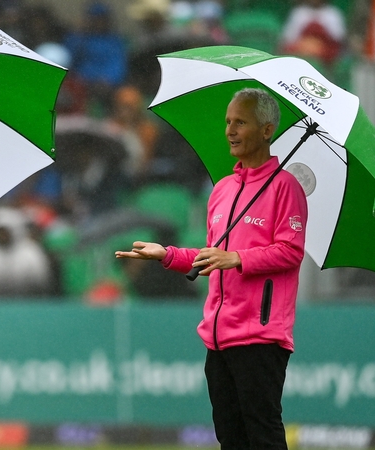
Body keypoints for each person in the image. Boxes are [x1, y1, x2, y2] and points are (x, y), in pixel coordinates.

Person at [115, 88, 308, 449]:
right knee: (230, 438)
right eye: (228, 122)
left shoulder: (286, 187)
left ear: (267, 130)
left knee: (263, 435)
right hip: (217, 337)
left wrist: (238, 258)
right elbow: (211, 255)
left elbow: (290, 252)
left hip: (260, 335)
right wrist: (166, 254)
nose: (230, 131)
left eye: (241, 122)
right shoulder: (221, 189)